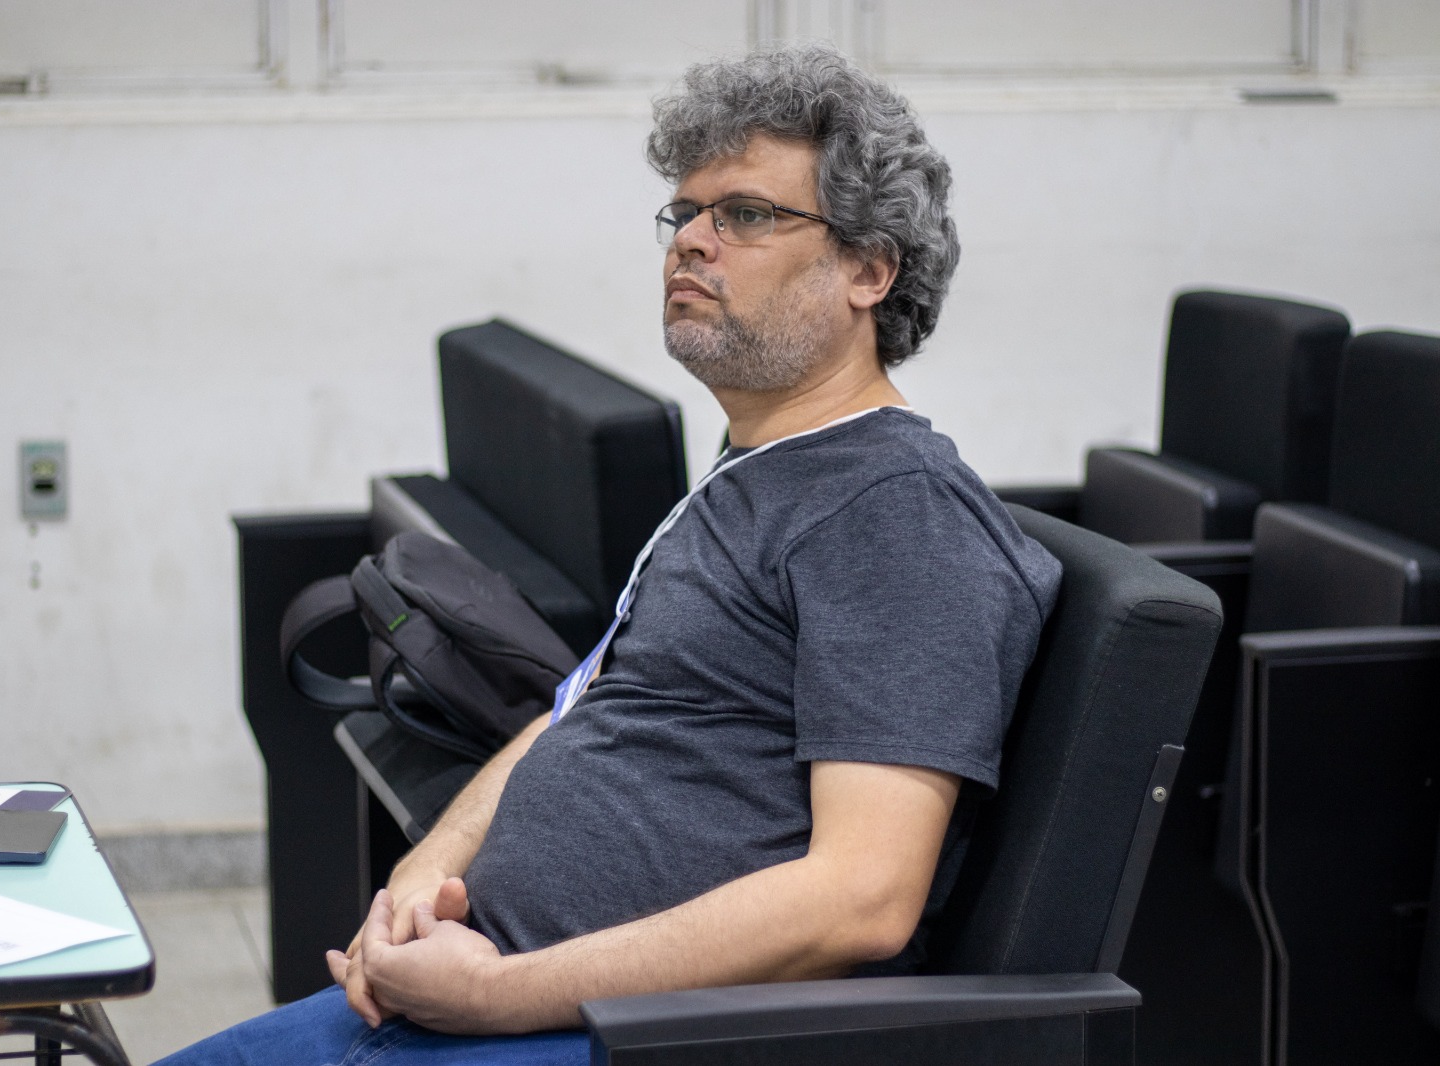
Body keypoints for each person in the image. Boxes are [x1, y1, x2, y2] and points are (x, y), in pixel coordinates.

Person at [156, 43, 1061, 1066]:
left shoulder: (896, 514)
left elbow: (862, 899)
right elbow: (581, 705)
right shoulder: (759, 473)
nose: (693, 243)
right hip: (490, 991)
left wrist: (496, 995)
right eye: (686, 214)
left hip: (615, 1035)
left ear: (868, 269)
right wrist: (428, 868)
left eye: (745, 214)